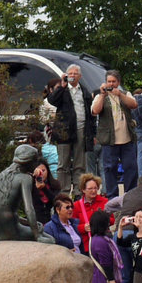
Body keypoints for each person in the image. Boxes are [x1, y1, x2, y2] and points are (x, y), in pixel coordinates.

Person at [0, 144, 55, 243]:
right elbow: (29, 209)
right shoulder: (24, 178)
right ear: (29, 162)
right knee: (51, 240)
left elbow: (3, 212)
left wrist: (31, 224)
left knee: (38, 227)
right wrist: (37, 235)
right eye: (35, 161)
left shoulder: (0, 177)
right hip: (11, 232)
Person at [47, 65, 95, 193]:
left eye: (75, 73)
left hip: (81, 128)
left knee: (80, 163)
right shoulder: (62, 89)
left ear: (80, 76)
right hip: (64, 131)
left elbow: (91, 113)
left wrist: (92, 133)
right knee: (63, 163)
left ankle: (78, 192)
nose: (72, 76)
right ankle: (64, 190)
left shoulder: (84, 91)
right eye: (70, 73)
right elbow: (52, 100)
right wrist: (62, 85)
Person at [91, 69, 139, 196]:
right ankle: (112, 196)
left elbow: (134, 104)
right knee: (109, 168)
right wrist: (102, 95)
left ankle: (130, 194)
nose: (111, 84)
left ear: (118, 82)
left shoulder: (125, 93)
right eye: (108, 81)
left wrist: (120, 94)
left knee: (131, 167)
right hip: (109, 140)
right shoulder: (99, 95)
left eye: (113, 81)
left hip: (127, 139)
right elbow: (95, 111)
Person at [74, 173, 109, 256]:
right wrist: (83, 228)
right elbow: (72, 226)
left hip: (102, 243)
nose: (93, 191)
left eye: (95, 188)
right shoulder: (76, 205)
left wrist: (100, 223)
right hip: (86, 245)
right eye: (90, 189)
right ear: (83, 190)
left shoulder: (104, 202)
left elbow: (111, 220)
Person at [31, 161, 60, 225]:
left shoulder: (54, 184)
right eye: (39, 171)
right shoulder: (30, 185)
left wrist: (44, 188)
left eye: (43, 170)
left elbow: (56, 201)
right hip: (35, 220)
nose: (41, 174)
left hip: (50, 220)